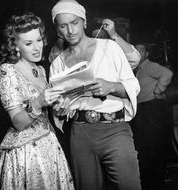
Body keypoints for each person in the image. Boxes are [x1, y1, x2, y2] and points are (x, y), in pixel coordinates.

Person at [49, 0, 141, 190]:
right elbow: (57, 106)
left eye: (74, 22)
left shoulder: (109, 48)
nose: (70, 30)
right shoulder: (57, 63)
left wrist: (112, 87)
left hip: (115, 129)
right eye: (63, 26)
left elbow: (133, 87)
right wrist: (60, 108)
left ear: (84, 21)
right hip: (80, 133)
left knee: (129, 185)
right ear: (58, 30)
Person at [0, 12, 74, 190]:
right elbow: (18, 122)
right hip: (26, 153)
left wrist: (60, 109)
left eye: (38, 40)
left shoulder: (40, 70)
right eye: (28, 43)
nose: (37, 47)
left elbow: (46, 114)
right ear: (15, 46)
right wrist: (38, 103)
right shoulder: (7, 71)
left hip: (50, 145)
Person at [132, 43, 173, 190]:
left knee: (155, 148)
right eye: (135, 49)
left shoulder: (149, 66)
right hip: (143, 110)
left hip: (152, 109)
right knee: (145, 149)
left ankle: (157, 183)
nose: (138, 51)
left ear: (147, 54)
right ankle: (150, 182)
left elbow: (167, 73)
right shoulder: (137, 70)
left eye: (141, 49)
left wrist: (158, 90)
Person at [49, 18, 141, 70]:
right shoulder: (82, 55)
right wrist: (62, 35)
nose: (97, 40)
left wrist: (114, 35)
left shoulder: (112, 52)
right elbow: (54, 60)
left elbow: (134, 59)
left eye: (101, 37)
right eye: (95, 38)